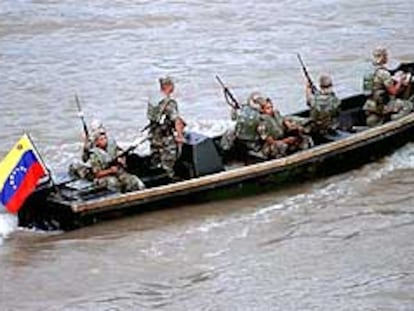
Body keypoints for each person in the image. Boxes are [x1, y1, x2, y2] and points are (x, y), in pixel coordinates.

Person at [362, 48, 413, 127]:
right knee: (408, 105)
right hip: (383, 105)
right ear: (383, 57)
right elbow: (394, 91)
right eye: (386, 56)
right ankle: (394, 121)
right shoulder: (383, 73)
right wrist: (401, 80)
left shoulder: (370, 70)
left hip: (370, 104)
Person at [147, 76, 185, 178]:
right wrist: (180, 136)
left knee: (155, 161)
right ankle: (169, 180)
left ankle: (156, 179)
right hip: (165, 139)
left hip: (154, 136)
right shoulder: (169, 102)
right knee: (168, 162)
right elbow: (176, 120)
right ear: (169, 86)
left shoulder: (153, 100)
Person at [89, 128, 145, 192]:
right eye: (101, 139)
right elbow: (97, 174)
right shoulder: (94, 155)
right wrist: (110, 171)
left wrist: (122, 160)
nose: (105, 141)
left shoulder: (112, 147)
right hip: (104, 177)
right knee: (113, 183)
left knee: (133, 180)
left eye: (105, 138)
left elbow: (120, 153)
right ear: (97, 142)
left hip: (117, 173)